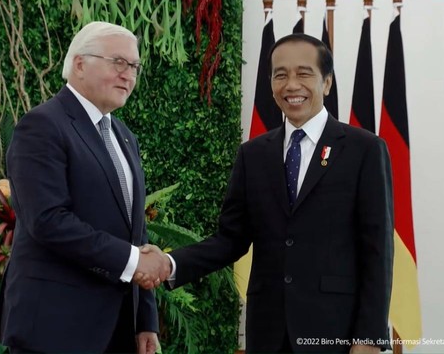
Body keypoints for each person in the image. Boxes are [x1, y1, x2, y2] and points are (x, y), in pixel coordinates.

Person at [141, 33, 394, 353]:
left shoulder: (364, 150)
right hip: (268, 332)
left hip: (335, 331)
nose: (291, 85)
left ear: (327, 82)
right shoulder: (253, 155)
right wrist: (168, 263)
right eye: (280, 74)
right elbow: (230, 240)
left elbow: (378, 252)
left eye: (304, 73)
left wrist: (369, 338)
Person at [0, 21, 170, 354]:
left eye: (134, 66)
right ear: (79, 64)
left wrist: (145, 320)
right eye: (118, 62)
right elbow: (48, 221)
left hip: (118, 327)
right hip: (55, 327)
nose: (128, 74)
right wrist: (133, 262)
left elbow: (136, 232)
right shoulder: (42, 125)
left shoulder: (124, 136)